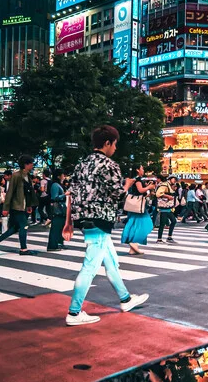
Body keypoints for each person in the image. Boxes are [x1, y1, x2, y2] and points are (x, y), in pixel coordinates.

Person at [62, 124, 148, 326]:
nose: (115, 148)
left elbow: (71, 194)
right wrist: (127, 184)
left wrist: (68, 223)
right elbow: (120, 193)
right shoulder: (109, 165)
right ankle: (74, 312)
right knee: (90, 266)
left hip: (83, 218)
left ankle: (125, 298)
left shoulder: (81, 164)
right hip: (100, 218)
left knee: (110, 261)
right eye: (115, 144)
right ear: (107, 143)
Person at [0, 156, 37, 254]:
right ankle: (23, 249)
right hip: (17, 206)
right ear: (26, 164)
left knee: (15, 227)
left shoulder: (27, 175)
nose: (33, 165)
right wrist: (6, 207)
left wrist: (29, 205)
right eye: (31, 163)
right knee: (24, 226)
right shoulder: (16, 176)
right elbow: (10, 192)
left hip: (23, 206)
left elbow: (28, 192)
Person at [121, 165, 155, 255]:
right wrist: (149, 187)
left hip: (134, 205)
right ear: (137, 170)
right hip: (139, 206)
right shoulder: (138, 179)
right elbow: (140, 190)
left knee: (134, 223)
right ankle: (133, 242)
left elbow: (138, 192)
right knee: (145, 224)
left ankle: (133, 247)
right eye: (142, 168)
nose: (143, 170)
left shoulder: (134, 179)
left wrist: (146, 188)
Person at [47, 172, 67, 251]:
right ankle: (52, 245)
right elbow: (54, 197)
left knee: (59, 226)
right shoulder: (55, 185)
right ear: (58, 176)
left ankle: (58, 243)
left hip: (60, 208)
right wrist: (65, 194)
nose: (64, 176)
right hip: (58, 208)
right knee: (56, 227)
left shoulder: (57, 184)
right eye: (62, 175)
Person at [155, 174, 177, 243]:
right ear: (170, 179)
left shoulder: (168, 185)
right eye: (174, 179)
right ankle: (159, 239)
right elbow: (158, 194)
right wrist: (168, 196)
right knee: (163, 223)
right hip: (164, 207)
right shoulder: (165, 185)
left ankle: (169, 237)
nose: (175, 180)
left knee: (173, 221)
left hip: (168, 207)